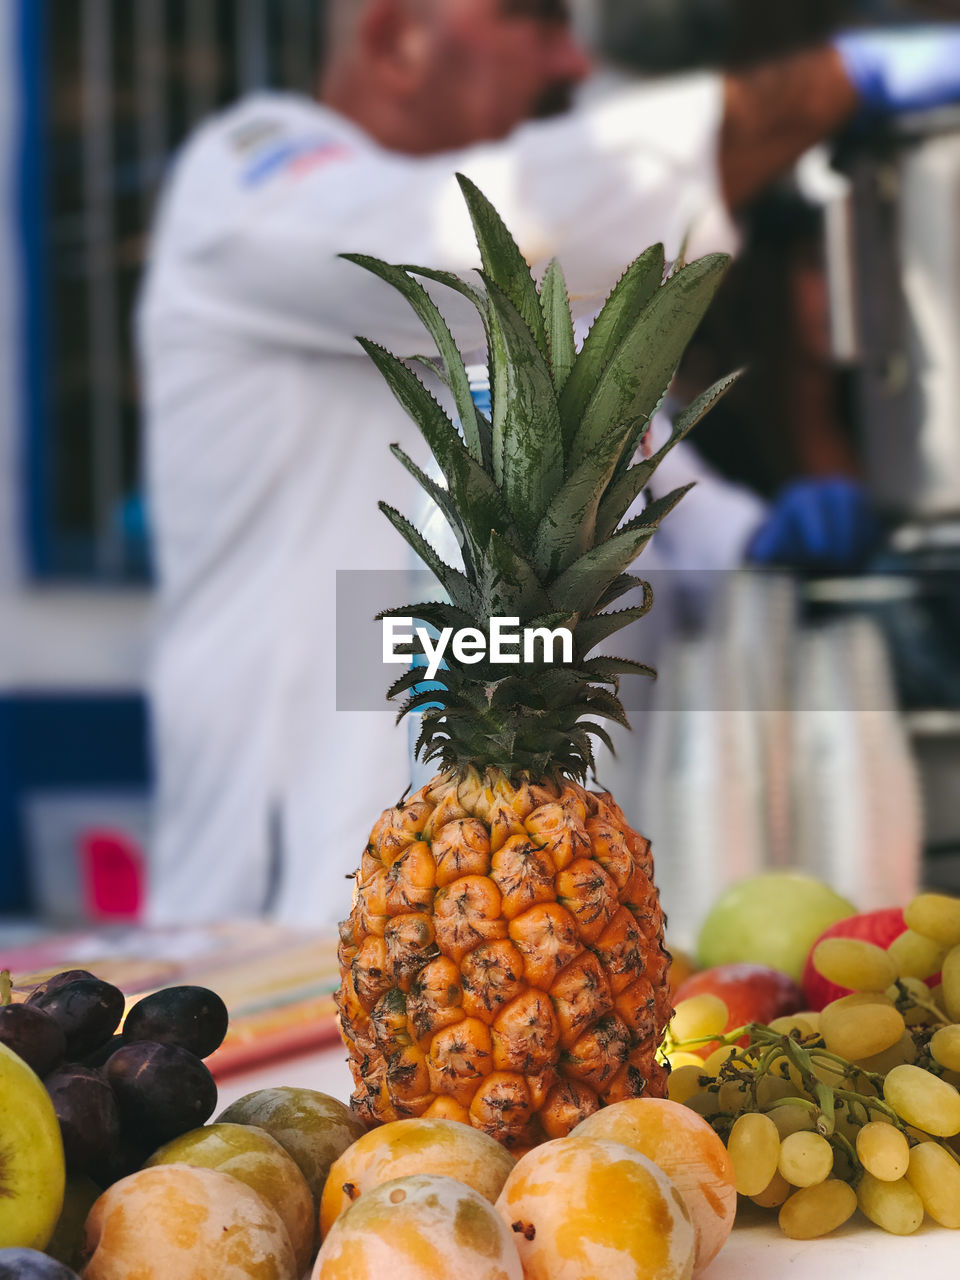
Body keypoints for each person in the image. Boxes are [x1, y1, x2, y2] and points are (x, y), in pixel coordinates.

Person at [138, 0, 960, 925]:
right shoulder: (254, 182)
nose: (569, 59)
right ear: (394, 38)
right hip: (303, 915)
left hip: (553, 905)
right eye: (527, 17)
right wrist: (833, 83)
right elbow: (469, 232)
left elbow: (643, 501)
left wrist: (761, 544)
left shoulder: (547, 318)